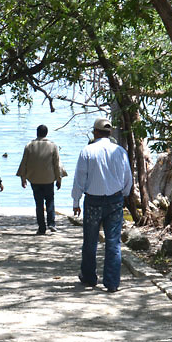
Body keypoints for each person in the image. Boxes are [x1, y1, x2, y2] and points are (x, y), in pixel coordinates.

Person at [71, 118, 133, 293]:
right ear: (110, 133)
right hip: (115, 201)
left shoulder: (87, 151)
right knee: (113, 242)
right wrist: (125, 195)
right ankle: (112, 283)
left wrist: (76, 201)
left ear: (95, 132)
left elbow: (79, 179)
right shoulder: (120, 151)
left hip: (93, 201)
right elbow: (128, 177)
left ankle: (89, 278)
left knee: (90, 241)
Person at [16, 125, 62, 235]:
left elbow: (24, 162)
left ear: (37, 133)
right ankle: (51, 223)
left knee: (39, 204)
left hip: (34, 179)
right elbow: (57, 164)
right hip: (48, 179)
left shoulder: (29, 145)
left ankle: (42, 228)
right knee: (50, 201)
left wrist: (23, 178)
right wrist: (59, 179)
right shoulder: (52, 146)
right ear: (46, 133)